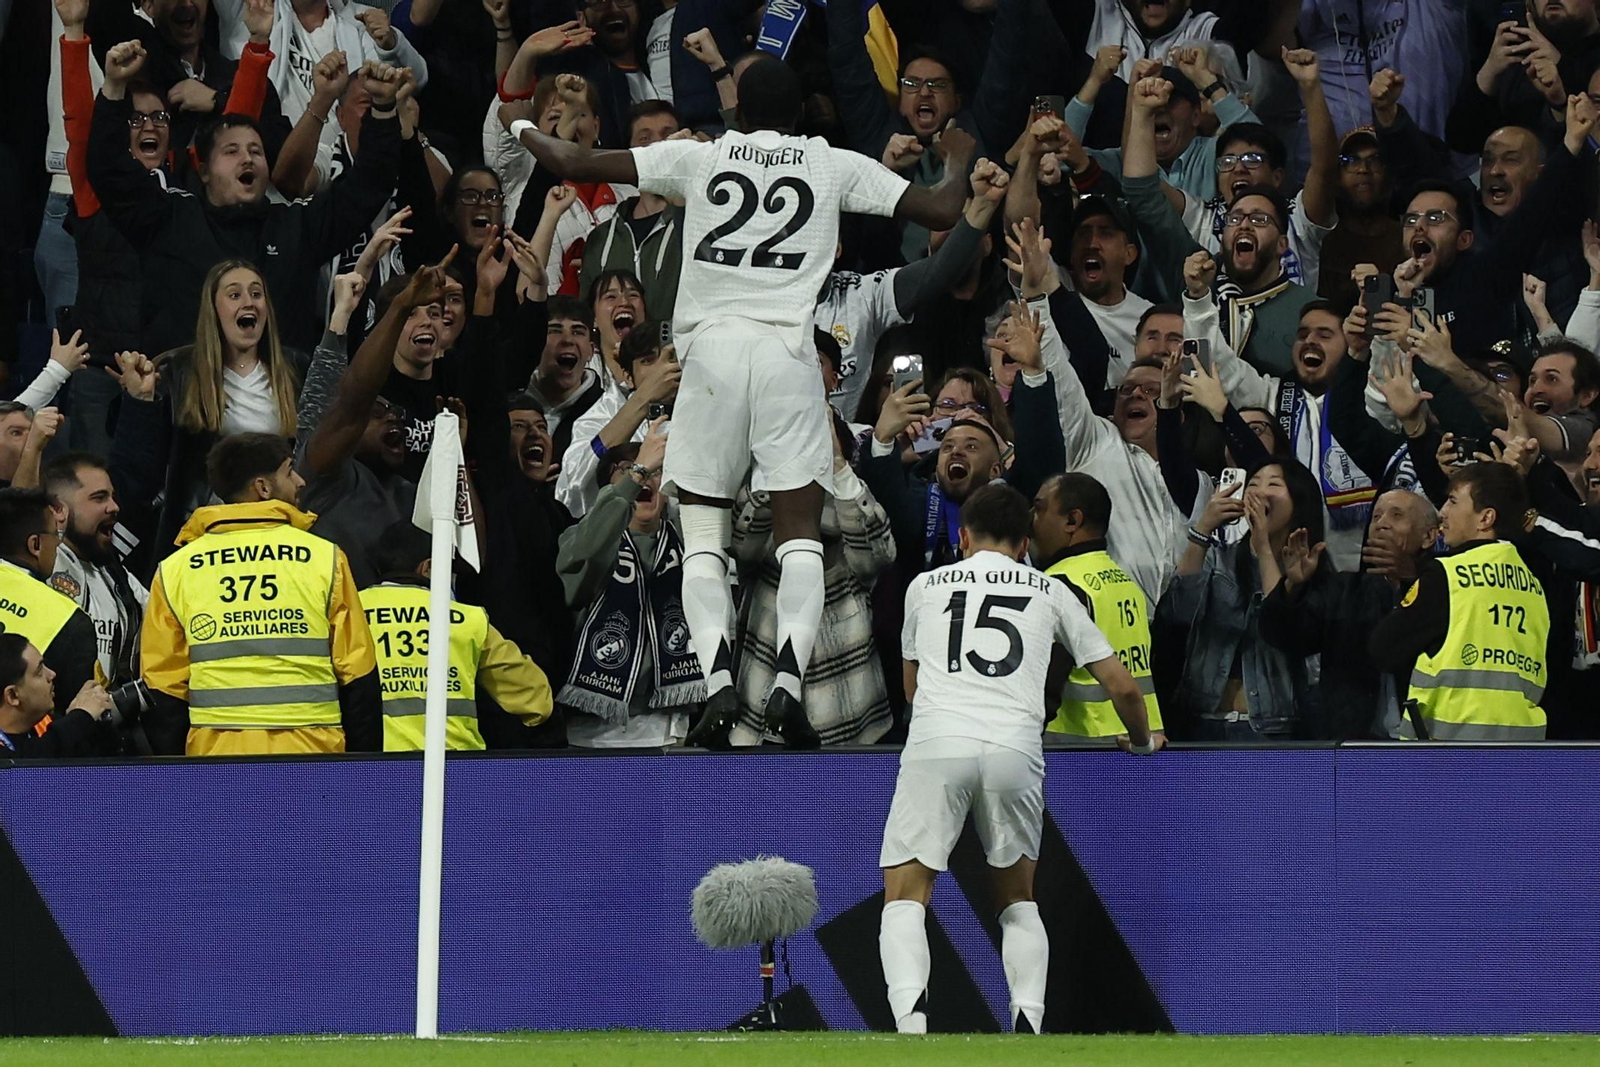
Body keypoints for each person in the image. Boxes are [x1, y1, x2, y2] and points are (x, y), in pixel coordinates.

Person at [500, 54, 975, 748]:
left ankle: (719, 676)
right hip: (787, 353)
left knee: (703, 536)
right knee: (800, 535)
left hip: (713, 353)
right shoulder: (829, 161)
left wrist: (519, 125)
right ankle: (786, 683)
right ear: (798, 115)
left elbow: (571, 156)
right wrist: (956, 155)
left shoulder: (701, 158)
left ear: (739, 114)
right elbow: (941, 207)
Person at [878, 482, 1155, 1037]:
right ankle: (1027, 1023)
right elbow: (1123, 687)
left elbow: (911, 689)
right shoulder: (1052, 592)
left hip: (938, 742)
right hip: (1015, 749)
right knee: (1017, 899)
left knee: (906, 897)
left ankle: (911, 1027)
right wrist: (1144, 741)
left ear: (962, 537)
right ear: (1026, 543)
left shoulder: (924, 586)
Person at [86, 40, 404, 353]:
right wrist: (114, 89)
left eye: (256, 151)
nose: (248, 159)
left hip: (280, 399)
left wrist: (384, 110)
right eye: (231, 151)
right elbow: (109, 171)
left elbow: (367, 186)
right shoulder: (170, 219)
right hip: (185, 399)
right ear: (203, 170)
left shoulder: (297, 227)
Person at [139, 432, 381, 756]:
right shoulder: (325, 558)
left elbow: (163, 689)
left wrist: (185, 777)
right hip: (314, 759)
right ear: (263, 488)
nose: (300, 481)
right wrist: (363, 771)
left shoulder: (175, 570)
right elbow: (358, 674)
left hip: (217, 764)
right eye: (289, 470)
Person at [110, 258, 308, 558]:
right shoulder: (176, 371)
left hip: (280, 537)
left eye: (256, 294)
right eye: (234, 295)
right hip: (202, 538)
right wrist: (140, 401)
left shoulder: (296, 370)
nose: (249, 302)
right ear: (213, 309)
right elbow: (138, 472)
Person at [727, 411, 898, 747]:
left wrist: (836, 464)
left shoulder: (854, 511)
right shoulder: (764, 510)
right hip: (758, 722)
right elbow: (742, 545)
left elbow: (878, 555)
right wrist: (773, 468)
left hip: (848, 725)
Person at [1368, 461, 1551, 740]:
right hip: (1522, 749)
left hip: (1449, 751)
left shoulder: (1447, 575)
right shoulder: (1534, 586)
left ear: (1485, 519)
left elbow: (1383, 649)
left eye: (1453, 502)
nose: (1442, 513)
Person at [1158, 457, 1330, 741]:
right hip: (1203, 722)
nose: (1259, 492)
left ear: (1299, 500)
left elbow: (1283, 630)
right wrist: (1201, 531)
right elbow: (1176, 615)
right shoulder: (1219, 559)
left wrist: (1263, 547)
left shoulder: (1312, 570)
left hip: (1274, 727)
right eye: (1253, 484)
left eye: (1274, 484)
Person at [554, 426, 704, 749]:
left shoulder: (689, 544)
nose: (647, 477)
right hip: (593, 734)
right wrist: (635, 477)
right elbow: (579, 564)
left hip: (668, 728)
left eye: (655, 471)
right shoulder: (582, 536)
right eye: (628, 469)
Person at [360, 522, 553, 751]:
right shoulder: (469, 619)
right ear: (428, 567)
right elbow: (537, 700)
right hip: (456, 766)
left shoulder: (352, 612)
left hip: (371, 767)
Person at [1030, 473, 1164, 746]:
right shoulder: (1125, 582)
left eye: (1040, 508)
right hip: (1137, 740)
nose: (1031, 519)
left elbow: (1044, 689)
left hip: (1076, 751)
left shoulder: (1058, 587)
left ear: (1072, 521)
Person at [43, 453, 148, 689]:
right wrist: (34, 447)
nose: (114, 507)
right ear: (58, 509)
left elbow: (163, 618)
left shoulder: (118, 576)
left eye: (113, 497)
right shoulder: (42, 565)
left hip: (103, 719)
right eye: (99, 498)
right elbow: (17, 515)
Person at [0, 489, 103, 716]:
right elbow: (78, 718)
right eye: (55, 537)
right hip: (26, 749)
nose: (58, 546)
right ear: (35, 545)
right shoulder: (68, 619)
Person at [0, 635, 119, 758]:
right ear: (12, 695)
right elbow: (27, 765)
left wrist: (98, 721)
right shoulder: (29, 751)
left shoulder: (45, 725)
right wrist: (81, 716)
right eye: (39, 672)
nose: (52, 674)